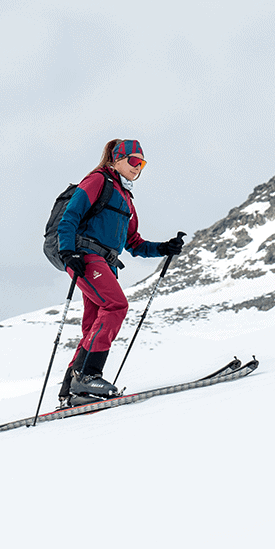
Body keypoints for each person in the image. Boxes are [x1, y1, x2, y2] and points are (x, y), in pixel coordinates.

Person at [56, 139, 184, 405]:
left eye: (142, 163)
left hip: (107, 264)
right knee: (116, 306)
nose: (138, 168)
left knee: (93, 326)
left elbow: (134, 243)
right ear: (117, 159)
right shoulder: (97, 181)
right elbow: (70, 216)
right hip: (86, 258)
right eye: (134, 161)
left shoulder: (127, 199)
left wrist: (163, 248)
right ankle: (89, 376)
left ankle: (71, 389)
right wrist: (69, 253)